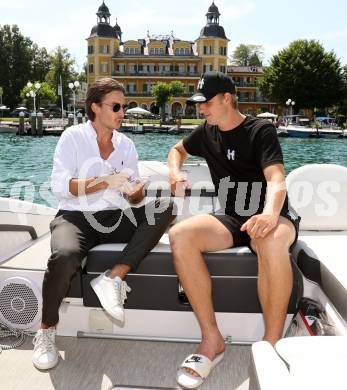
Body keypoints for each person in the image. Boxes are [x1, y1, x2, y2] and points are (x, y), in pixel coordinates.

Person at [167, 71, 300, 389]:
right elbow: (177, 150)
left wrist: (268, 214)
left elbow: (276, 180)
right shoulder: (207, 132)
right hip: (231, 217)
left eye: (207, 103)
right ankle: (212, 340)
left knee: (266, 240)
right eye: (198, 104)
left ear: (227, 98)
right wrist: (174, 173)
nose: (201, 110)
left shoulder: (260, 130)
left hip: (273, 216)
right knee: (180, 235)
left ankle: (270, 344)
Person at [32, 78, 174, 370]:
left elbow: (135, 199)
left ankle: (113, 277)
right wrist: (104, 182)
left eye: (125, 106)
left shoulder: (127, 145)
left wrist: (136, 191)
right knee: (65, 257)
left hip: (114, 215)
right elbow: (61, 187)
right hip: (75, 217)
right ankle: (46, 330)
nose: (124, 112)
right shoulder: (73, 137)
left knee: (164, 206)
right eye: (117, 106)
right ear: (95, 107)